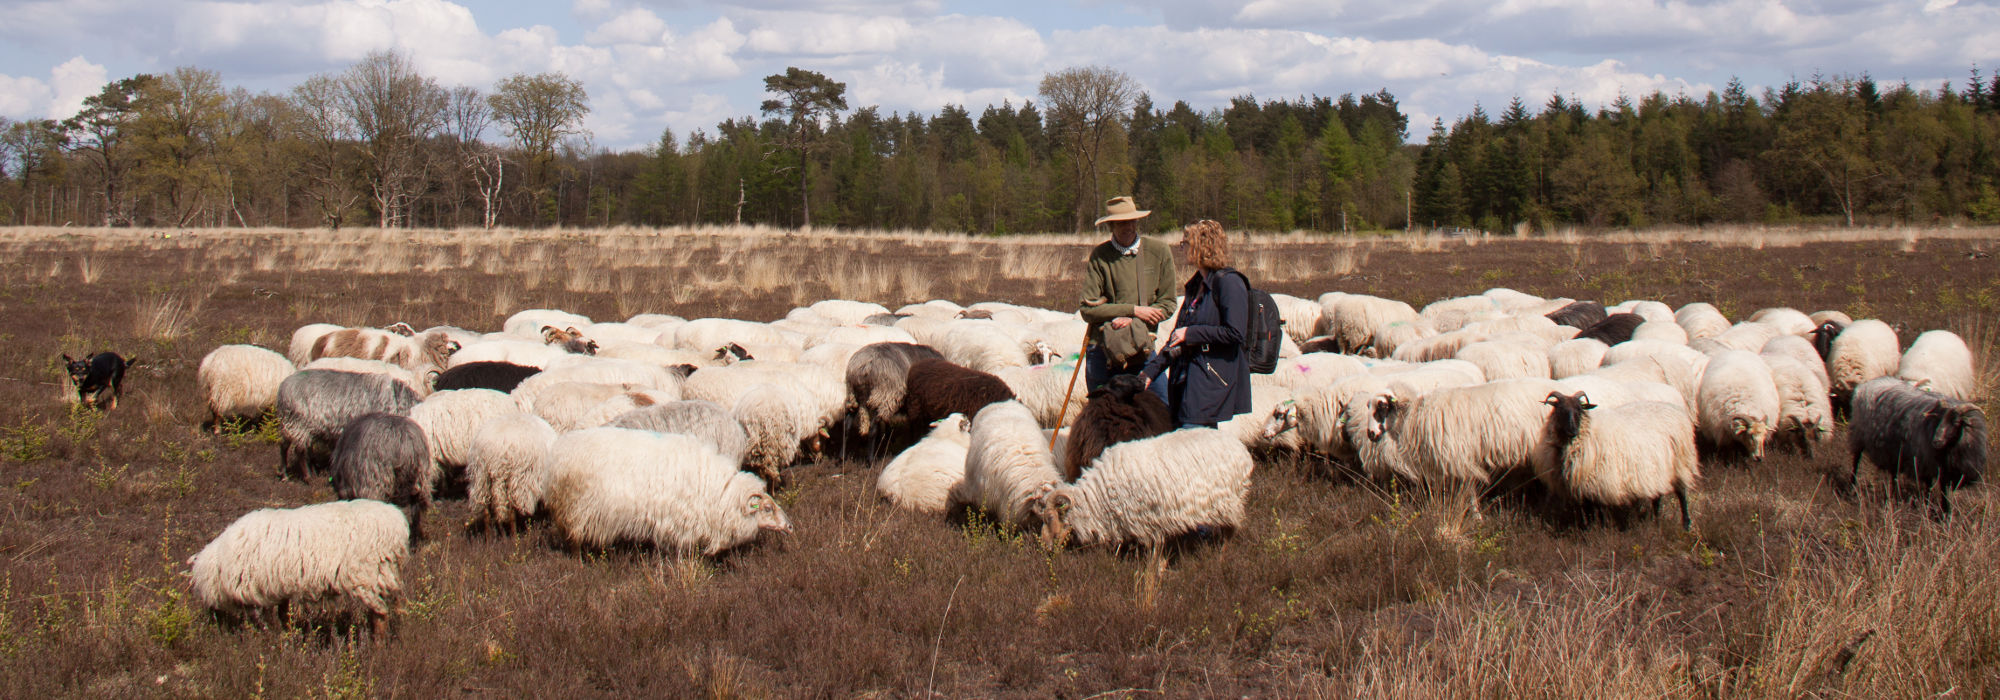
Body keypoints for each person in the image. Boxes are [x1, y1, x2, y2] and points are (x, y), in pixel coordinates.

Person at [1141, 219, 1251, 429]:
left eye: (1186, 242)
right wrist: (1150, 373)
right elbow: (1177, 337)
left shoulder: (1229, 283)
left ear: (1202, 246)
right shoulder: (1195, 285)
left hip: (1208, 385)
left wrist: (1191, 334)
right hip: (1185, 382)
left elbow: (1236, 333)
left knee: (1190, 446)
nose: (1181, 248)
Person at [1078, 196, 1178, 394]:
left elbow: (1168, 303)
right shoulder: (1100, 256)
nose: (1129, 227)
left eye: (1132, 221)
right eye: (1122, 223)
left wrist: (1134, 320)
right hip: (1103, 350)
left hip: (1141, 348)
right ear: (1111, 226)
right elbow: (1087, 309)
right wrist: (1133, 310)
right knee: (1103, 416)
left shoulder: (1159, 252)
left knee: (1162, 410)